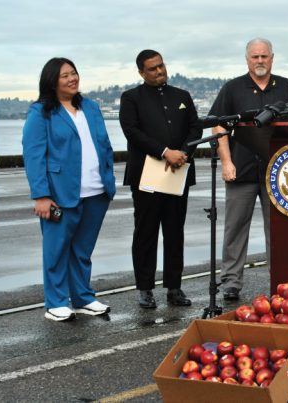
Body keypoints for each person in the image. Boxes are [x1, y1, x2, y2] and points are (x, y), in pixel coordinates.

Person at [22, 57, 116, 321]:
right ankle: (55, 302)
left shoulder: (91, 107)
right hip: (60, 195)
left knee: (82, 250)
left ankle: (83, 297)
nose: (72, 79)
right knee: (56, 249)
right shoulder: (41, 112)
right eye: (64, 75)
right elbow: (33, 155)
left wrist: (108, 177)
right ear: (52, 81)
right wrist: (41, 195)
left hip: (96, 192)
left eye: (74, 73)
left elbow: (104, 144)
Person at [210, 38, 288, 301]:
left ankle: (281, 281)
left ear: (272, 58)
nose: (260, 61)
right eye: (255, 57)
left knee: (278, 231)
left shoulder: (287, 88)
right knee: (235, 228)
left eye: (264, 56)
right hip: (241, 170)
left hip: (280, 174)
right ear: (247, 59)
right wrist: (227, 162)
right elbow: (218, 127)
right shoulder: (232, 89)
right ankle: (231, 281)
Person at [120, 50, 202, 308]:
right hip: (146, 176)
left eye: (161, 66)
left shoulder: (182, 96)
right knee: (145, 233)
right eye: (153, 69)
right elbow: (131, 131)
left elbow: (195, 128)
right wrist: (165, 152)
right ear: (141, 73)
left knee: (174, 232)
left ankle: (174, 288)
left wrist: (184, 153)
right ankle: (145, 289)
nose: (159, 71)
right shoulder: (131, 98)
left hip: (179, 173)